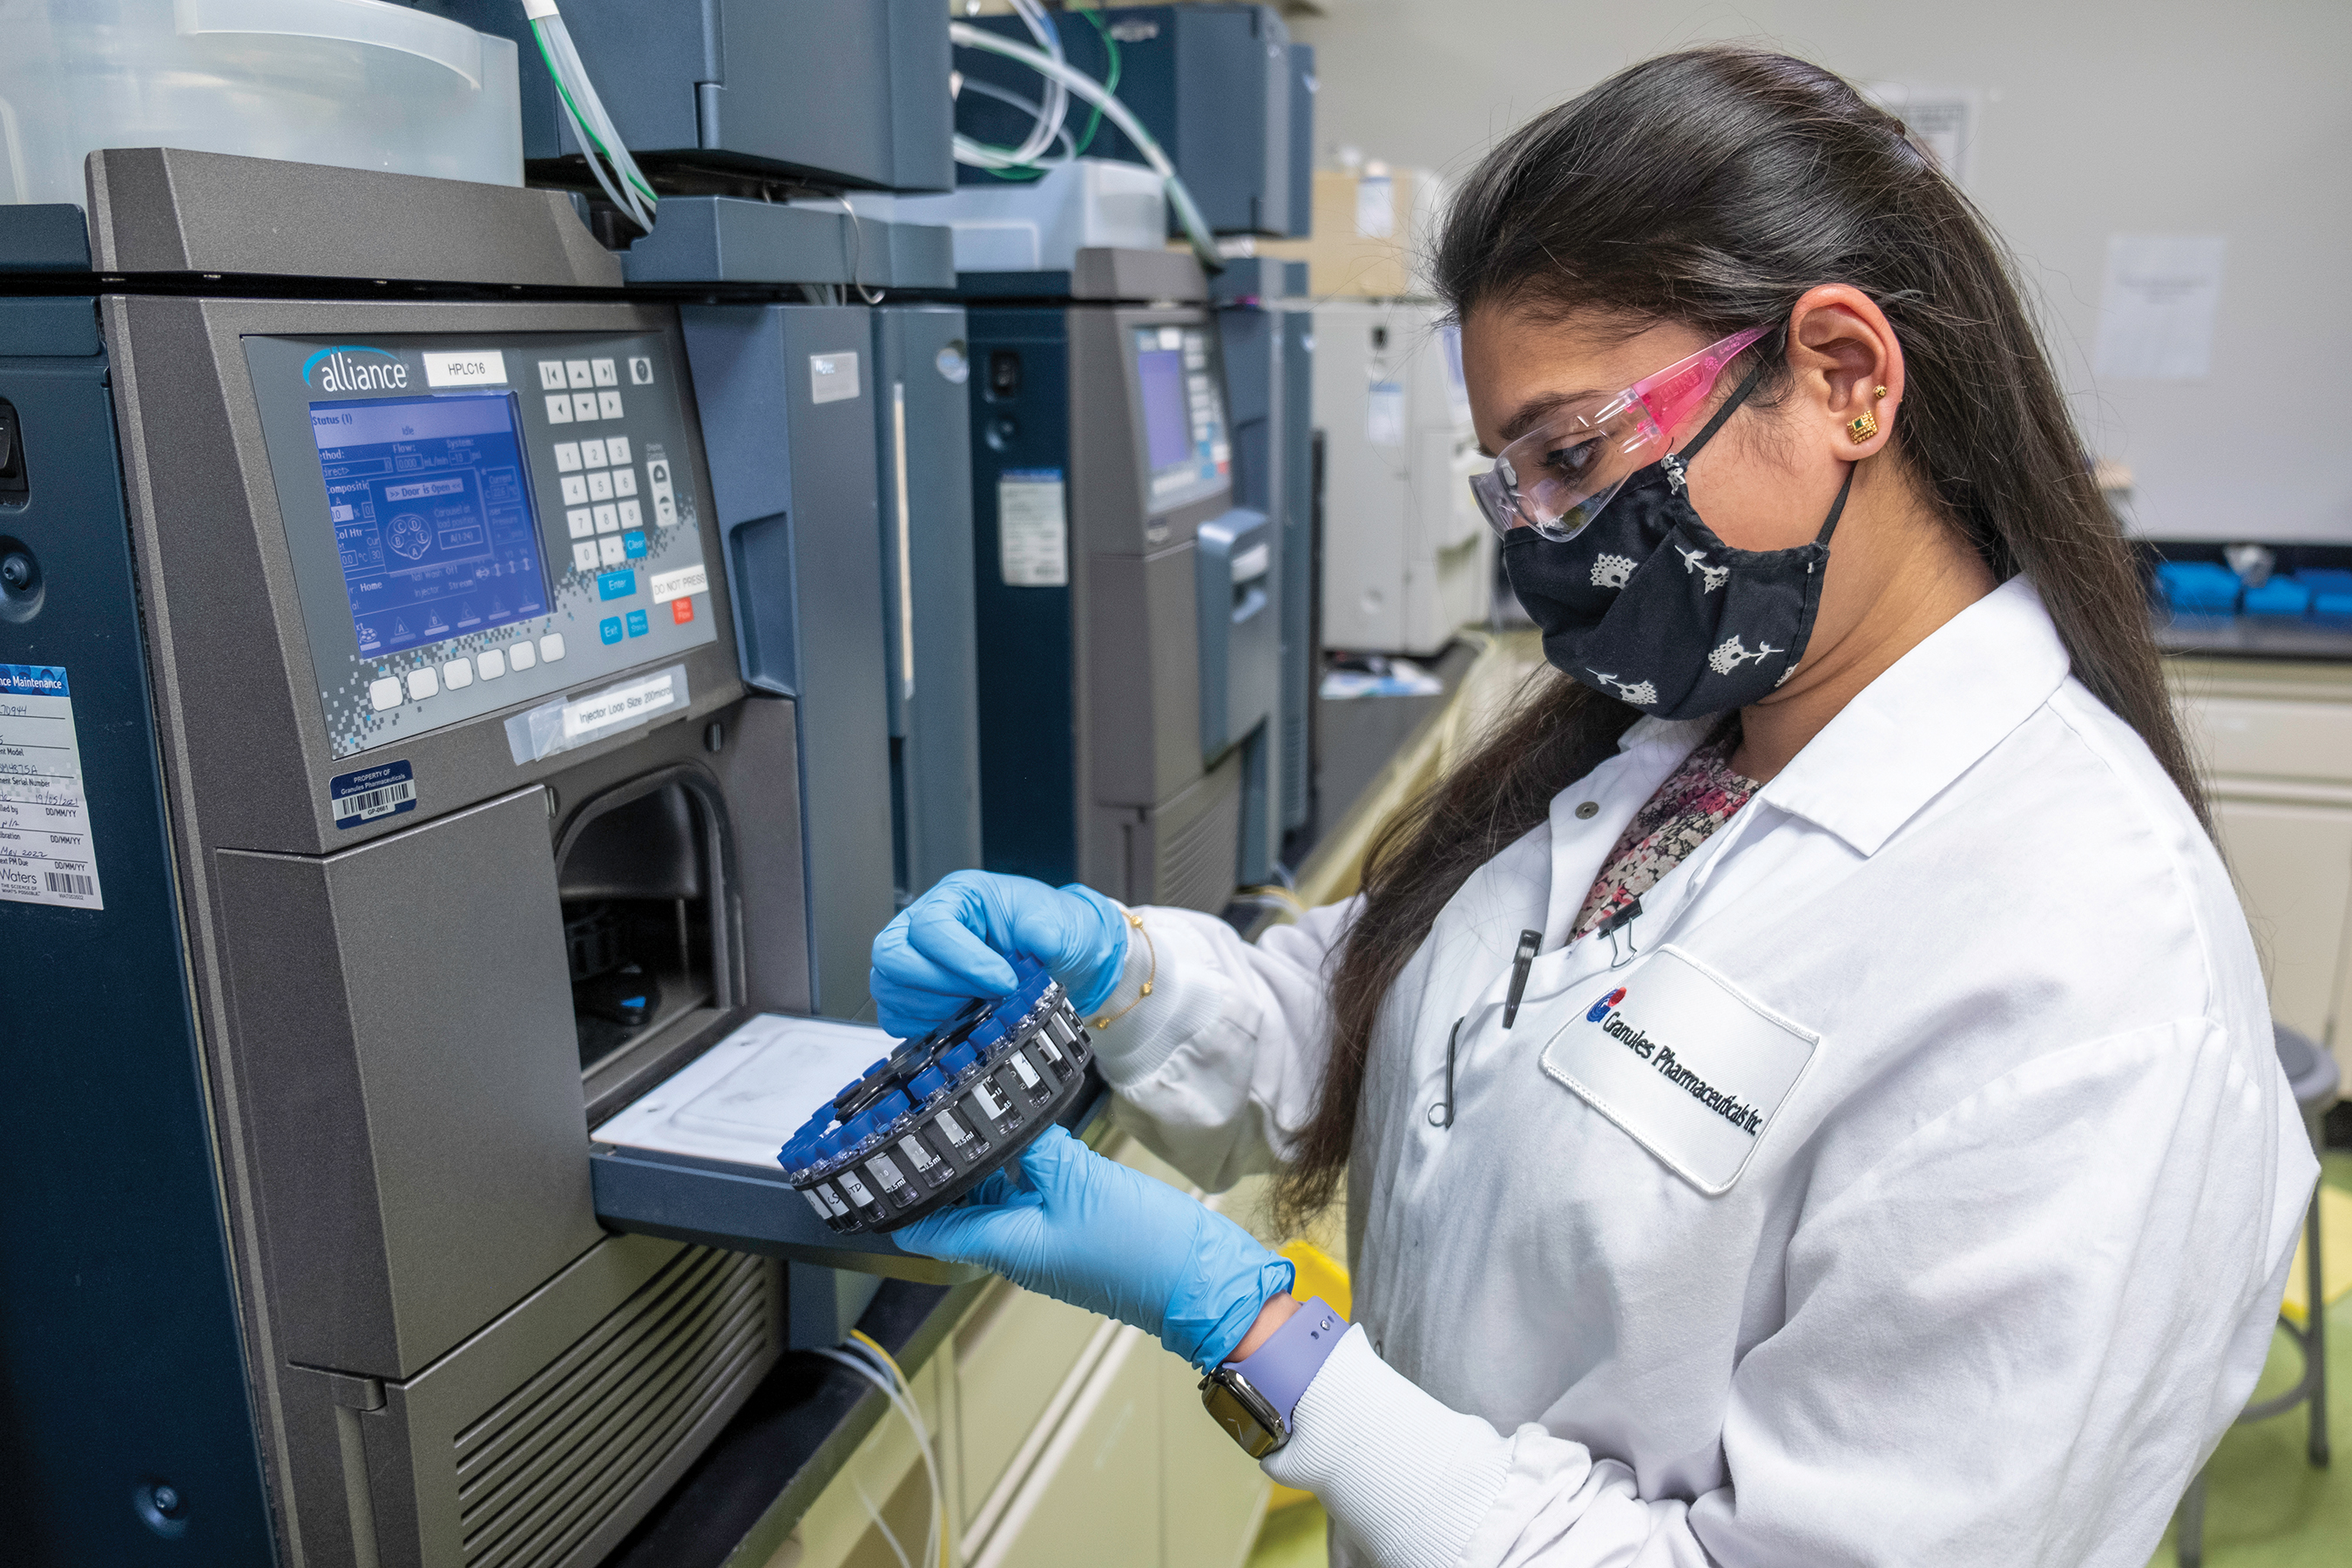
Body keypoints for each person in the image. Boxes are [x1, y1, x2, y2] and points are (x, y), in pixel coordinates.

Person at [869, 48, 2316, 1567]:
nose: (1548, 543)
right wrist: (1125, 973)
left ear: (1844, 376)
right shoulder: (1672, 741)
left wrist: (1264, 1344)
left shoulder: (2086, 967)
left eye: (1575, 455)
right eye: (1517, 486)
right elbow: (1405, 1041)